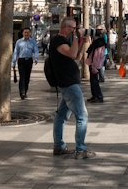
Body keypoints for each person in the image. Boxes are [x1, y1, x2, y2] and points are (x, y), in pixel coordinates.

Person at [50, 16, 95, 159]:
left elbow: (77, 56)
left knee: (61, 116)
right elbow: (72, 53)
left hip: (68, 84)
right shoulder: (58, 41)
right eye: (73, 28)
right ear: (66, 28)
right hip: (68, 84)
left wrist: (84, 42)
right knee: (82, 116)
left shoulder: (65, 41)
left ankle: (59, 146)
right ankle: (81, 149)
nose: (75, 30)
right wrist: (76, 37)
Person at [12, 27, 39, 100]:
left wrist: (36, 58)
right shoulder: (19, 42)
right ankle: (22, 93)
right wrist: (13, 62)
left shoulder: (33, 42)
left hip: (29, 60)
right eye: (25, 32)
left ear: (30, 33)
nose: (26, 34)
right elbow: (15, 52)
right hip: (21, 60)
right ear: (23, 33)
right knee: (22, 77)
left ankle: (25, 91)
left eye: (28, 32)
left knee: (27, 77)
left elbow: (36, 50)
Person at [85, 27, 106, 103]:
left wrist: (94, 66)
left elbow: (97, 56)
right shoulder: (98, 42)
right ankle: (94, 96)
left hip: (94, 64)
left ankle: (99, 96)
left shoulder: (99, 43)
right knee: (93, 81)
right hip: (92, 63)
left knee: (94, 81)